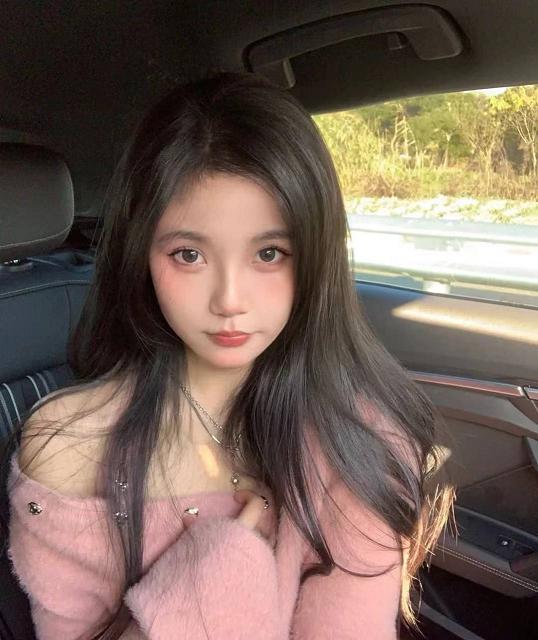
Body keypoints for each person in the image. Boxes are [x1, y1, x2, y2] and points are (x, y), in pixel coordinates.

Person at [3, 71, 453, 639]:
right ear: (142, 255)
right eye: (189, 255)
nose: (230, 300)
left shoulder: (358, 439)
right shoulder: (70, 446)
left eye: (270, 253)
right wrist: (216, 577)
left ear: (316, 255)